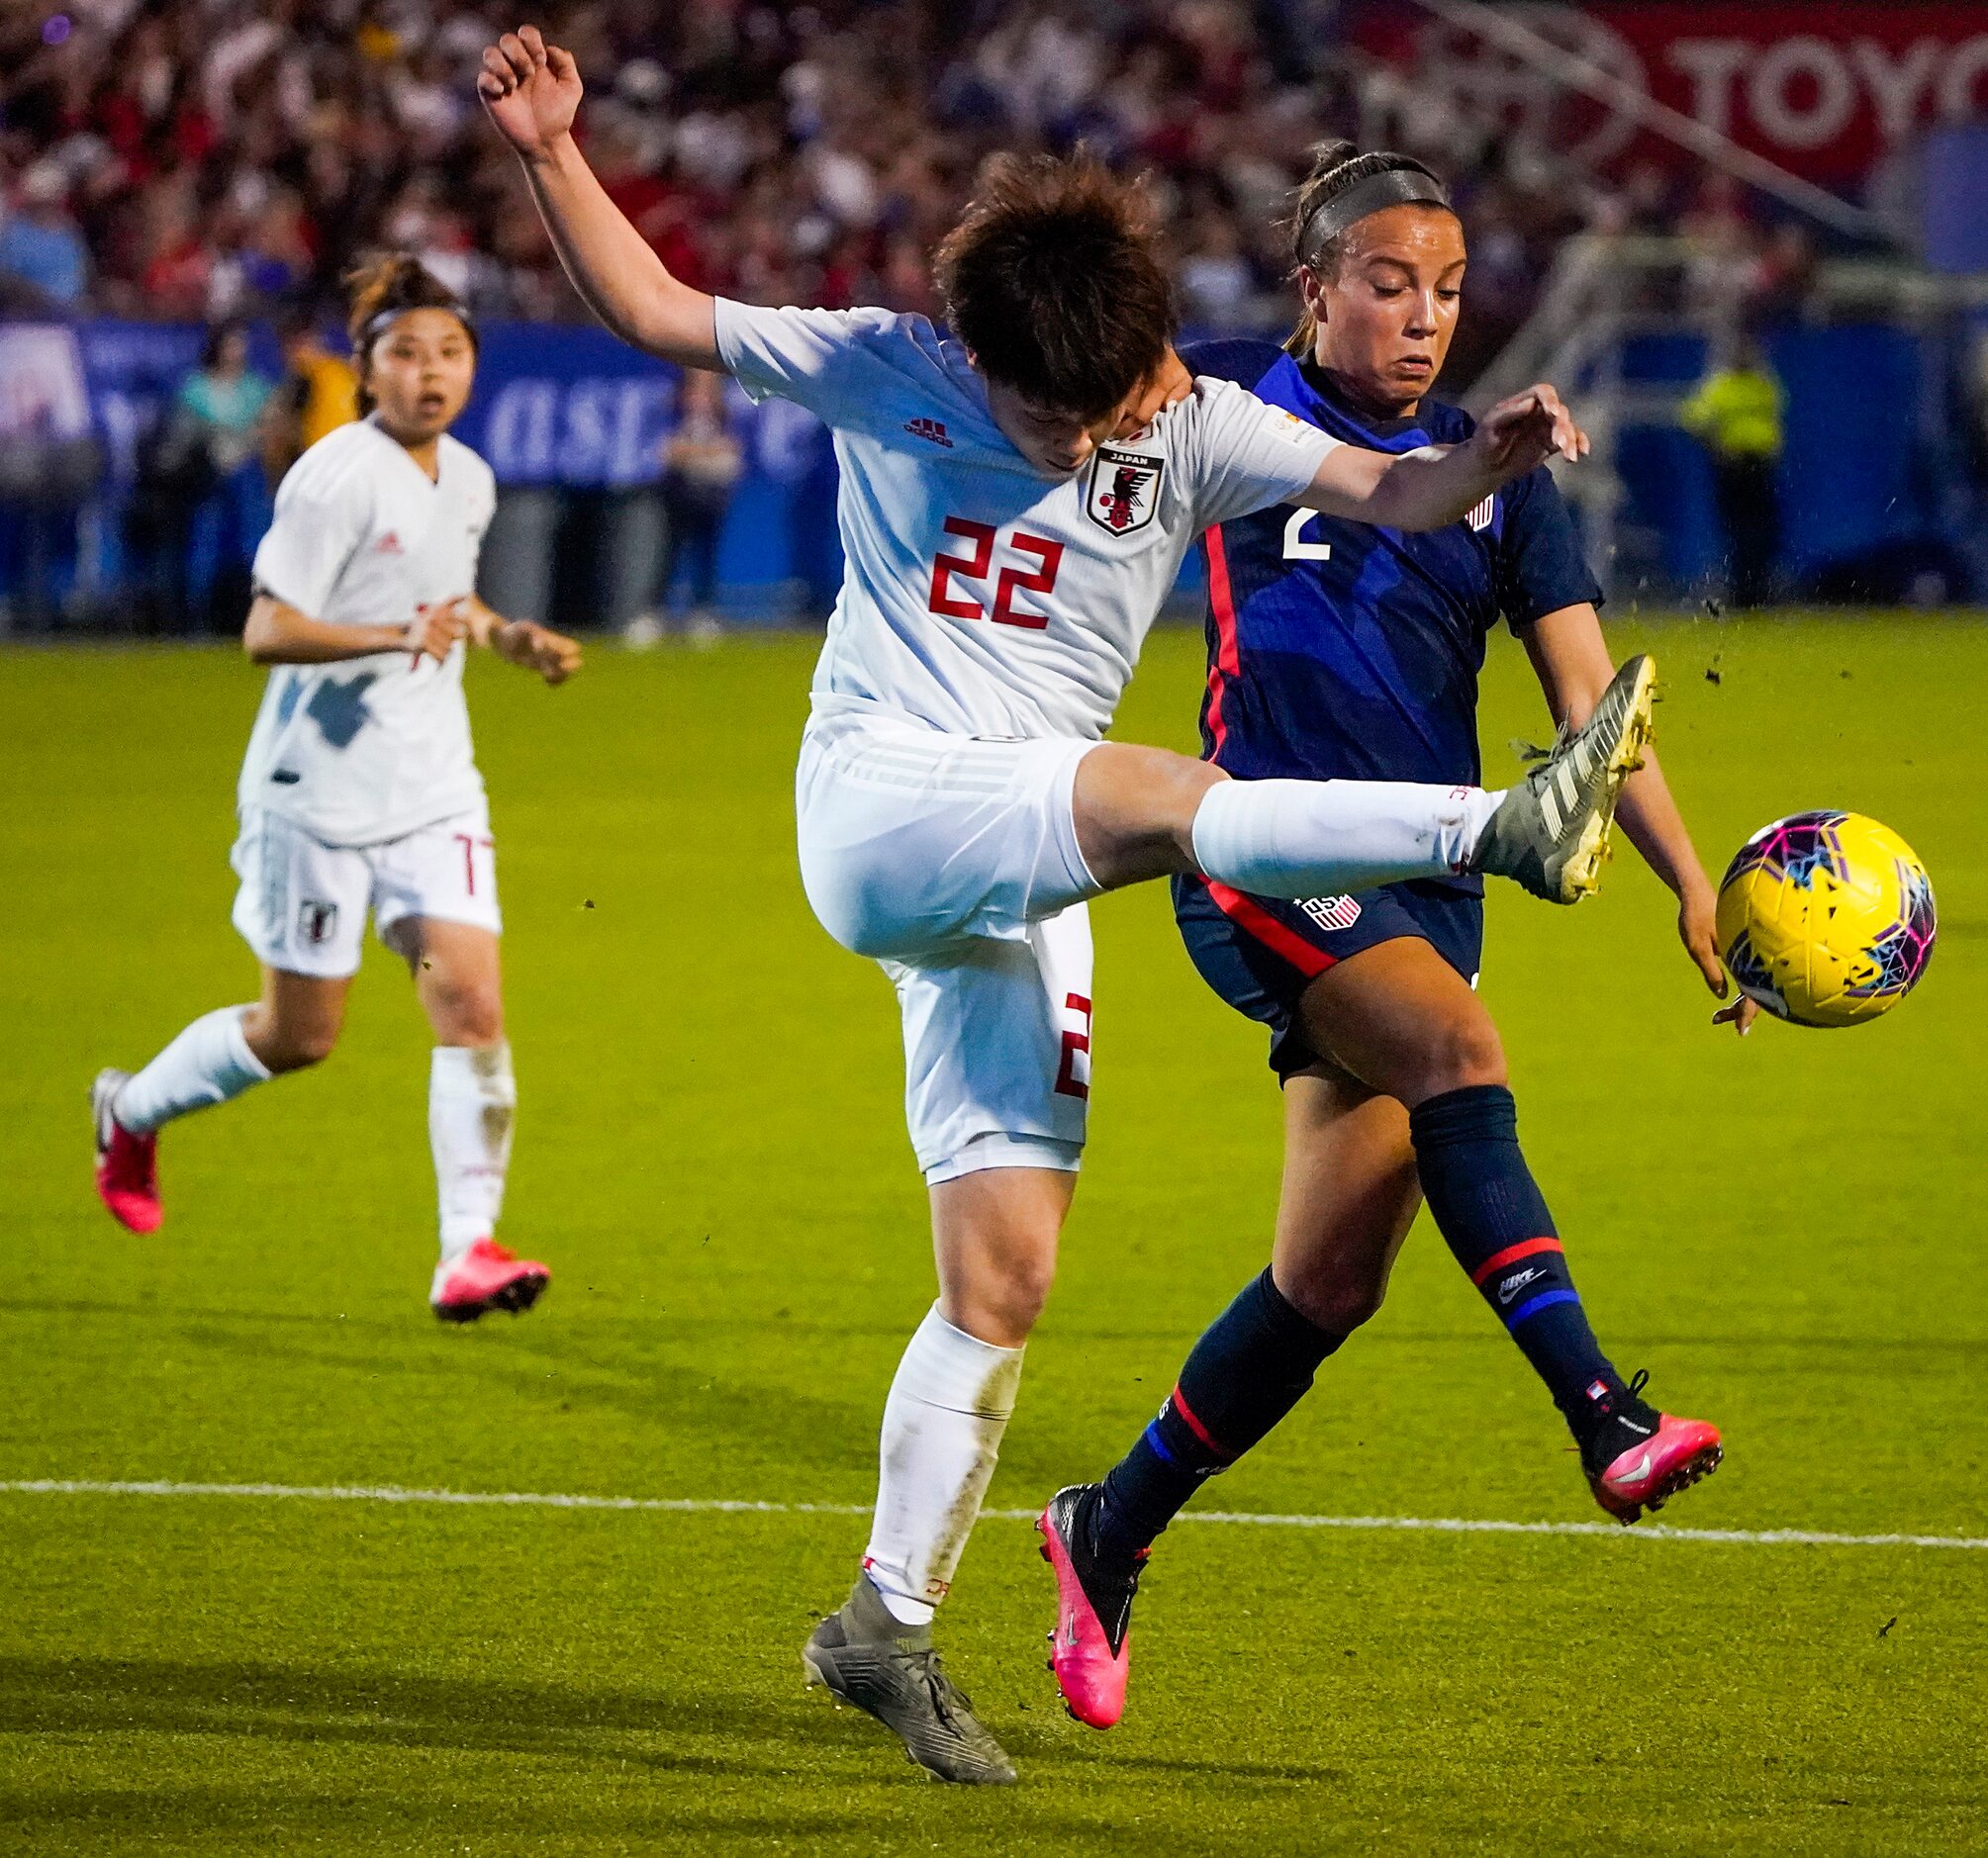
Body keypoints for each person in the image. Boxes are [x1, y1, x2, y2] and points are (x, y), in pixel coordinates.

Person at [478, 27, 1652, 1786]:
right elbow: (653, 309)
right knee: (1171, 802)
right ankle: (1497, 824)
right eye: (1049, 414)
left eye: (1107, 402)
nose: (1085, 433)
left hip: (1016, 864)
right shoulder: (888, 366)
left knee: (1005, 1278)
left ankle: (881, 1615)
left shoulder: (1180, 417)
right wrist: (554, 153)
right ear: (977, 363)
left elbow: (1392, 487)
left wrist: (1480, 460)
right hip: (884, 802)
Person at [1036, 144, 1746, 1734]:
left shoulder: (1492, 470)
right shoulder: (1213, 397)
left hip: (1429, 881)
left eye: (1443, 289)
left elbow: (1589, 708)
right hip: (1255, 846)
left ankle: (1108, 1524)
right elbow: (1054, 396)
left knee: (1326, 1279)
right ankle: (1601, 1409)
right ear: (1313, 289)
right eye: (1387, 283)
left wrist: (1691, 883)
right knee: (1458, 1053)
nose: (1423, 317)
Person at [91, 255, 584, 1325]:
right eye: (406, 354)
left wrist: (504, 636)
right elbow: (266, 628)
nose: (430, 373)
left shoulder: (469, 476)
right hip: (312, 792)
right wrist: (396, 636)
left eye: (450, 353)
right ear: (366, 372)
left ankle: (466, 1252)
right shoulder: (333, 476)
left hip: (433, 785)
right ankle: (130, 1112)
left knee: (473, 1006)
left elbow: (445, 593)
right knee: (297, 1037)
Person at [1680, 333, 1784, 609]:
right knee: (1742, 532)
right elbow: (1694, 419)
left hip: (1759, 466)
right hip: (1735, 466)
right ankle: (1744, 592)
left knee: (1758, 533)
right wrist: (1717, 446)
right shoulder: (1728, 387)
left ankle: (1758, 589)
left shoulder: (1758, 385)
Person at [654, 367, 743, 633]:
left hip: (712, 493)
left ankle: (702, 611)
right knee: (670, 554)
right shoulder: (673, 412)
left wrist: (695, 454)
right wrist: (705, 454)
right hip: (680, 492)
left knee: (705, 555)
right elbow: (668, 452)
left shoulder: (724, 415)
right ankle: (655, 611)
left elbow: (734, 453)